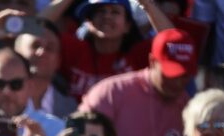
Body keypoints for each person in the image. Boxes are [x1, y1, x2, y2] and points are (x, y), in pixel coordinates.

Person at [79, 28, 197, 136]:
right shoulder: (112, 93)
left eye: (185, 75)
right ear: (152, 61)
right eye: (170, 73)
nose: (178, 82)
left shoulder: (188, 106)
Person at [40, 0, 175, 100]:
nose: (107, 16)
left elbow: (175, 42)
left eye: (115, 12)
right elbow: (35, 28)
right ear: (88, 23)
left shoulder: (137, 55)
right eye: (100, 11)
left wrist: (147, 4)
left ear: (128, 26)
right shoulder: (74, 49)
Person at [13, 20, 78, 118]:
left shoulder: (71, 109)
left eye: (50, 48)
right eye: (35, 46)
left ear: (58, 61)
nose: (42, 52)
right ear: (16, 53)